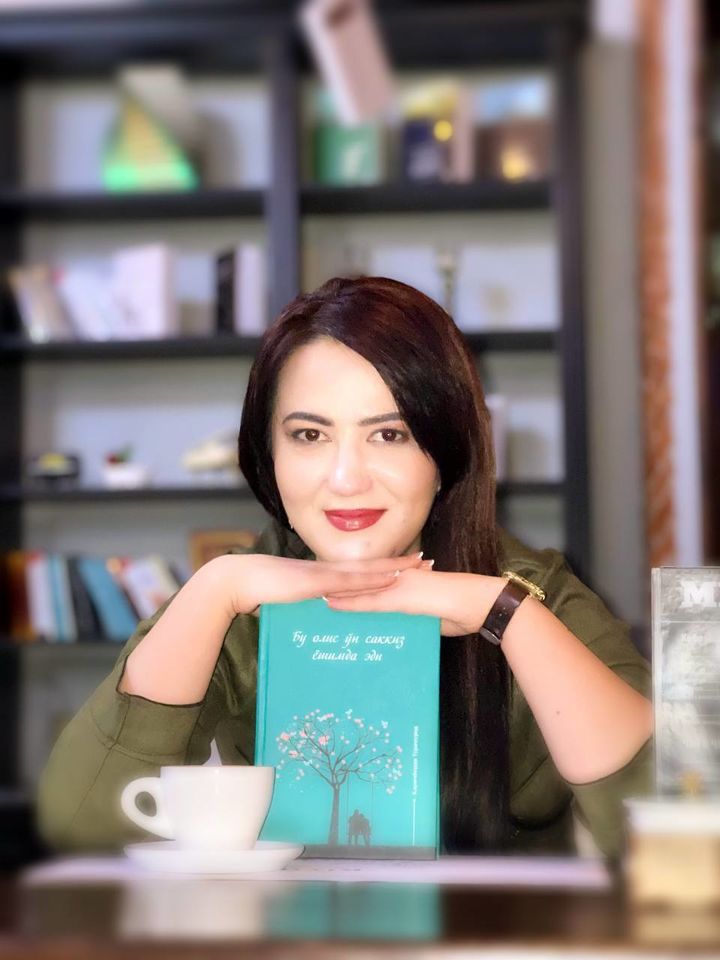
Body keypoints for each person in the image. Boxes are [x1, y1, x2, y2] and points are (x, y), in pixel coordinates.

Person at [37, 276, 653, 858]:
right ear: (268, 454)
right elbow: (81, 826)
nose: (346, 478)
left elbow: (669, 834)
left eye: (390, 435)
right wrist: (214, 589)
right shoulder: (239, 601)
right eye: (310, 435)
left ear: (444, 454)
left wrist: (502, 613)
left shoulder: (532, 589)